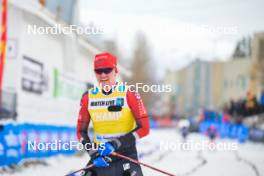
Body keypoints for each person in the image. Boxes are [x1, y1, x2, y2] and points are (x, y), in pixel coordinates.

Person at [76, 52, 150, 176]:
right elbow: (80, 132)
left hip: (125, 154)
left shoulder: (129, 94)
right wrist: (92, 152)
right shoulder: (88, 97)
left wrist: (115, 144)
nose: (103, 74)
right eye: (98, 71)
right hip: (100, 157)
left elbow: (144, 128)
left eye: (107, 70)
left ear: (116, 71)